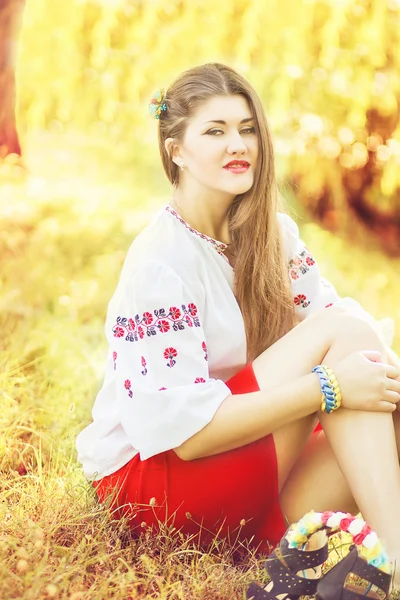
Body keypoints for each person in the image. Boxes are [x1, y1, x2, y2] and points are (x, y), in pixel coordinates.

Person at [75, 63, 400, 586]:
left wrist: (369, 380)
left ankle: (350, 549)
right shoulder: (162, 262)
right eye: (216, 131)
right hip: (159, 485)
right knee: (348, 347)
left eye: (247, 129)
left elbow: (351, 342)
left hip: (239, 479)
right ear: (175, 150)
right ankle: (396, 561)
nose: (238, 144)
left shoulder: (273, 235)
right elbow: (187, 438)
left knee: (383, 396)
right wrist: (328, 388)